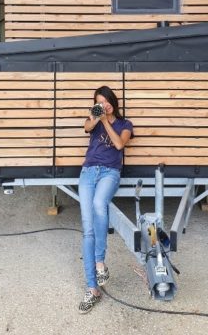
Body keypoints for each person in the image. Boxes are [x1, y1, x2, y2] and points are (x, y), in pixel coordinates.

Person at [78, 85, 133, 314]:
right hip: (88, 172)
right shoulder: (95, 117)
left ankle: (100, 262)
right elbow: (87, 126)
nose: (104, 105)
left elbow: (120, 144)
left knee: (100, 205)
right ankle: (93, 289)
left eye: (106, 101)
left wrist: (106, 121)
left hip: (110, 173)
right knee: (87, 230)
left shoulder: (125, 124)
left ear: (113, 101)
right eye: (100, 102)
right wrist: (95, 116)